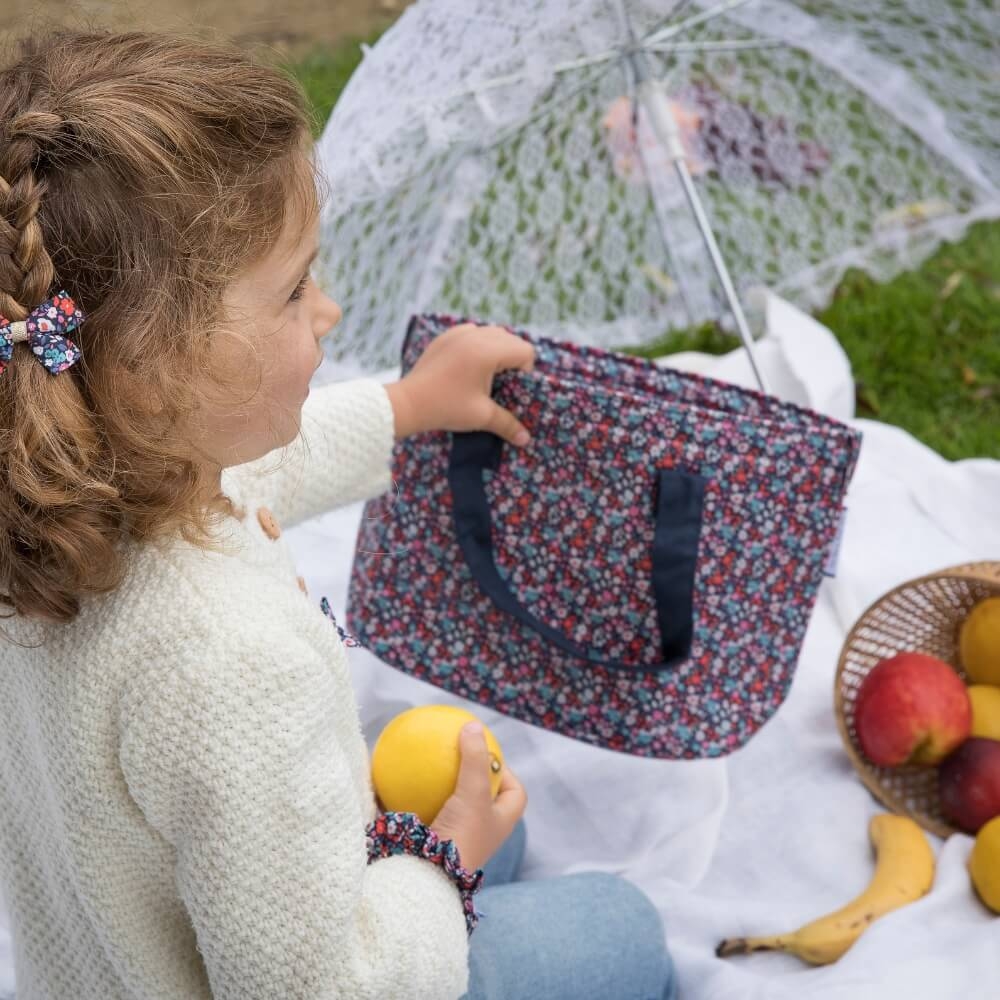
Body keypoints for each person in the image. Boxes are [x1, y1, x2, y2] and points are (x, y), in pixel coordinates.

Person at [0, 28, 678, 1000]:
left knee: (494, 816)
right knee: (626, 926)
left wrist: (405, 407)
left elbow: (259, 475)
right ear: (151, 374)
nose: (328, 309)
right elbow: (318, 987)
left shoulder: (58, 482)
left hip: (109, 952)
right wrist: (440, 866)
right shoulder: (228, 659)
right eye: (290, 290)